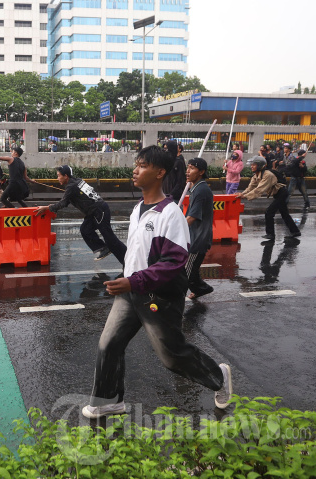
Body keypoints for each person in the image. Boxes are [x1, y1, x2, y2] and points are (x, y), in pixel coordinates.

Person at [81, 145, 232, 419]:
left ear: (160, 172)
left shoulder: (171, 214)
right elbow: (137, 251)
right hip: (131, 289)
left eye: (142, 166)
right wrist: (126, 276)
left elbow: (173, 262)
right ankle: (108, 401)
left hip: (158, 294)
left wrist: (134, 281)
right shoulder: (138, 208)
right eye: (136, 164)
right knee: (109, 344)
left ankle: (218, 377)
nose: (135, 170)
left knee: (171, 355)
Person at [34, 165, 126, 264]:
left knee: (110, 239)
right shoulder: (77, 181)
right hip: (94, 212)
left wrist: (46, 208)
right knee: (85, 229)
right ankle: (103, 248)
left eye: (59, 175)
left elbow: (63, 203)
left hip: (99, 211)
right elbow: (66, 201)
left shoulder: (71, 186)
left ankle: (127, 259)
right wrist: (52, 207)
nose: (57, 178)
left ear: (66, 176)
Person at [235, 156, 301, 240]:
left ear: (260, 165)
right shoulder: (256, 175)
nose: (251, 166)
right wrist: (242, 194)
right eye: (251, 165)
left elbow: (259, 189)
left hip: (282, 193)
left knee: (269, 212)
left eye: (254, 165)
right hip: (277, 194)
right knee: (284, 214)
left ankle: (270, 234)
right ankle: (295, 231)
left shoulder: (268, 175)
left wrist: (245, 196)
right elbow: (250, 187)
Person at [184, 158, 214, 300]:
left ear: (201, 172)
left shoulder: (201, 190)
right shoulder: (196, 188)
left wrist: (177, 229)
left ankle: (177, 299)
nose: (187, 171)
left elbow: (192, 216)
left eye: (192, 168)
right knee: (191, 268)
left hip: (198, 238)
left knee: (186, 271)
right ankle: (201, 289)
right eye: (188, 168)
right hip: (194, 235)